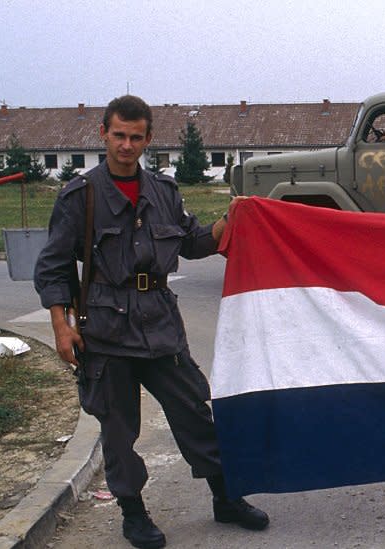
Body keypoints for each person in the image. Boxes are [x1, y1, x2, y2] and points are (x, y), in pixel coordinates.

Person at [34, 95, 268, 549]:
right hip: (105, 331)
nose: (126, 145)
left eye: (135, 137)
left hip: (161, 325)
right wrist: (62, 326)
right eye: (118, 135)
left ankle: (226, 498)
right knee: (119, 431)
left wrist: (230, 220)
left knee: (197, 414)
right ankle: (134, 514)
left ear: (148, 139)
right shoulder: (79, 197)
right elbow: (54, 267)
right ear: (103, 133)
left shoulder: (164, 192)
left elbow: (194, 243)